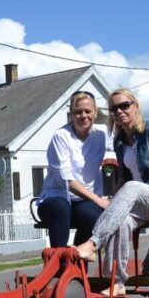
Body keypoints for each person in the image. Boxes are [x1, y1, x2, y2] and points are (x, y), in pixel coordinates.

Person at [73, 89, 149, 295]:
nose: (119, 111)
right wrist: (114, 198)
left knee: (132, 188)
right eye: (114, 108)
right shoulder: (120, 140)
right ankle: (117, 282)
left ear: (135, 106)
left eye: (124, 105)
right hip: (139, 202)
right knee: (121, 222)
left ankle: (92, 244)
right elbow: (125, 177)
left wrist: (134, 192)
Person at [37, 91, 113, 247]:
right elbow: (68, 180)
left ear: (95, 112)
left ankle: (77, 260)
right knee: (61, 206)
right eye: (78, 112)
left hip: (84, 202)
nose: (83, 115)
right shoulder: (61, 136)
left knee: (92, 215)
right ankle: (60, 261)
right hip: (56, 198)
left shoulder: (103, 134)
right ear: (71, 114)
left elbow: (120, 153)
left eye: (88, 111)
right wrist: (99, 200)